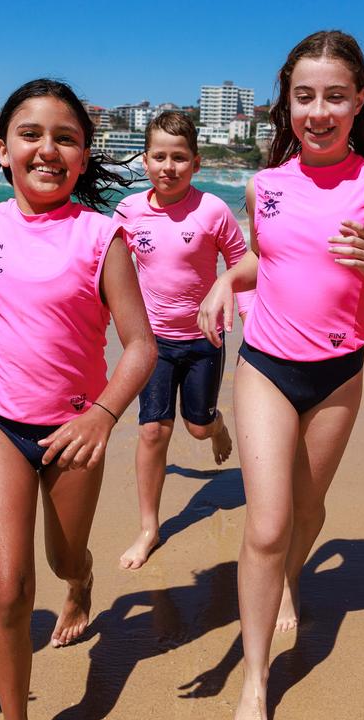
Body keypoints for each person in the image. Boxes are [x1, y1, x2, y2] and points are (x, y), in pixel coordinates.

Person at [0, 79, 155, 720]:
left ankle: (81, 583)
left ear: (83, 158)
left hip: (76, 431)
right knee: (9, 587)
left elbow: (141, 345)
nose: (47, 149)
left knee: (61, 559)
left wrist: (105, 416)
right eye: (31, 134)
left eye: (66, 138)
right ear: (3, 148)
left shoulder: (100, 235)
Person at [197, 31, 364, 720]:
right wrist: (220, 282)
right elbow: (268, 260)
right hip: (265, 364)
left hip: (338, 374)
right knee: (265, 525)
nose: (318, 111)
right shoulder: (265, 185)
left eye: (333, 97)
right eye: (304, 97)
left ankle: (291, 577)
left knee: (308, 508)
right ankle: (256, 679)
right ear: (285, 105)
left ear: (359, 101)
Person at [116, 111, 249, 570]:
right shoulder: (129, 211)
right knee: (153, 430)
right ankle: (149, 528)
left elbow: (241, 264)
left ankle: (215, 424)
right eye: (158, 156)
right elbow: (104, 270)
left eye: (178, 157)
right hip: (151, 342)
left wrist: (251, 321)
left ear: (195, 162)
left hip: (203, 338)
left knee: (195, 426)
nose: (167, 166)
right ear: (145, 160)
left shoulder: (212, 210)